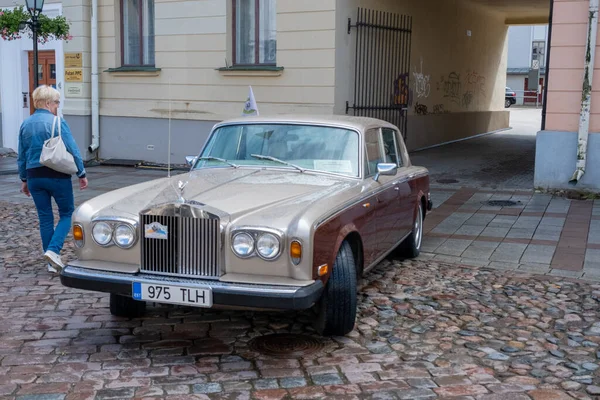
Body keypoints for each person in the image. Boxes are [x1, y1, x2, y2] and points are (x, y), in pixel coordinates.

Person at [17, 85, 88, 273]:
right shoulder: (58, 122)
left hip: (34, 177)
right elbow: (73, 149)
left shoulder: (26, 124)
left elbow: (22, 155)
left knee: (45, 218)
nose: (57, 106)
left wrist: (24, 179)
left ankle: (51, 263)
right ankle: (53, 250)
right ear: (48, 103)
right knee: (67, 213)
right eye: (56, 102)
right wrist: (81, 173)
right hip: (57, 175)